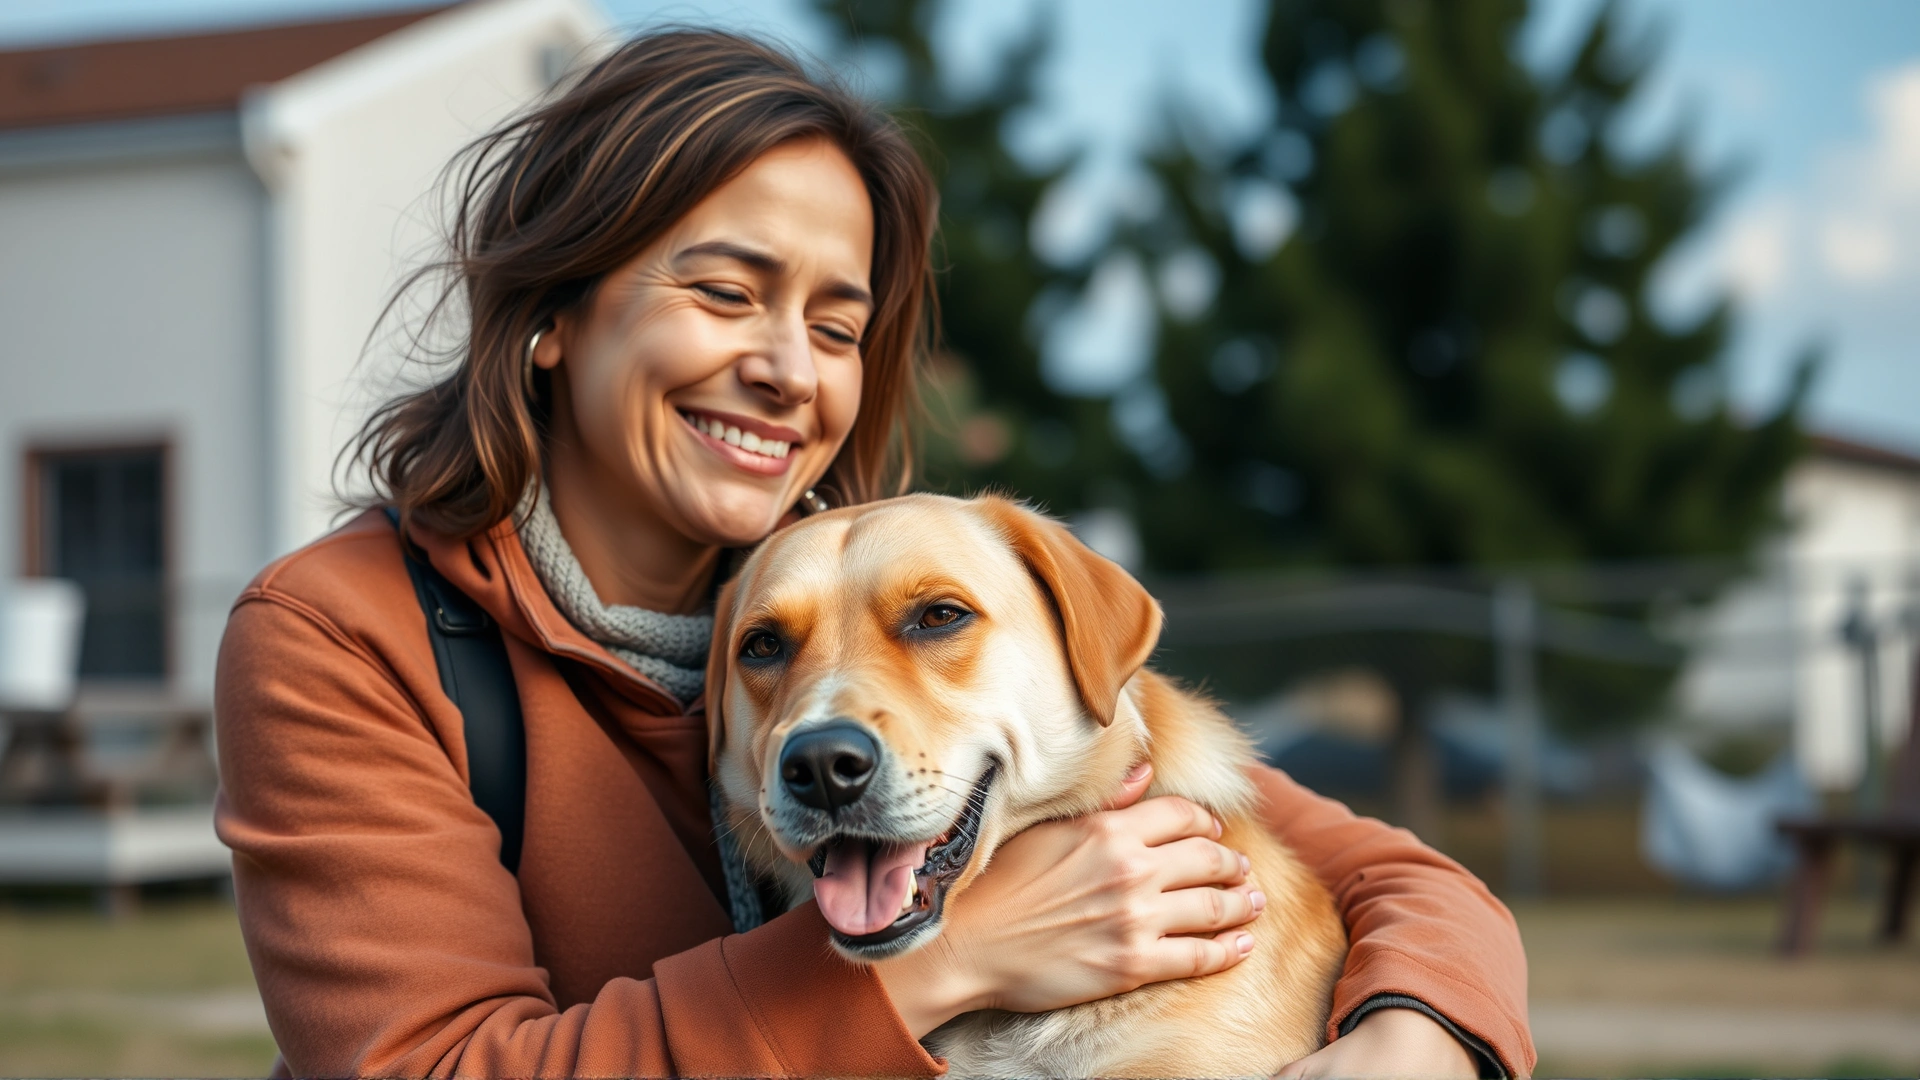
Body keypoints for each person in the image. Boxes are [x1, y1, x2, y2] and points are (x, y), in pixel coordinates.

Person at [214, 29, 1532, 1078]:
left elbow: (1401, 881)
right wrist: (954, 958)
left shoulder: (888, 577)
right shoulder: (346, 635)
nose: (786, 368)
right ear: (551, 314)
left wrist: (1412, 1042)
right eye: (724, 293)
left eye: (836, 326)